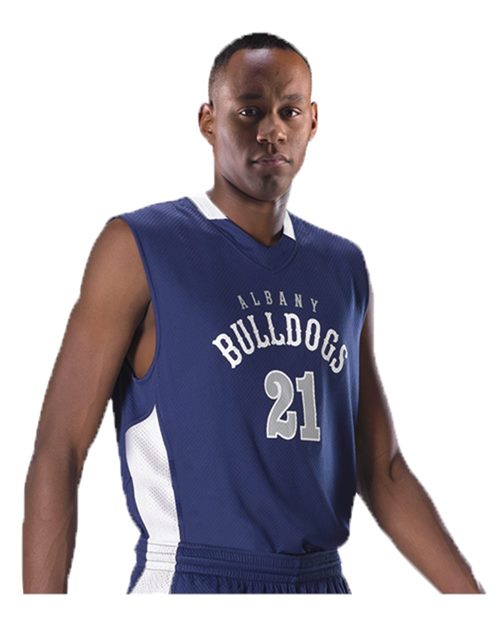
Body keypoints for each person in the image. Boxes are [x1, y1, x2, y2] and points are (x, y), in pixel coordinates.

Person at [22, 32, 485, 594]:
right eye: (249, 111)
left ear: (312, 121)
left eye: (289, 111)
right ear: (208, 120)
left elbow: (381, 471)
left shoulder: (342, 266)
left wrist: (475, 604)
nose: (272, 130)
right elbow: (60, 449)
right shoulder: (141, 245)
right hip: (194, 580)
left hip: (319, 585)